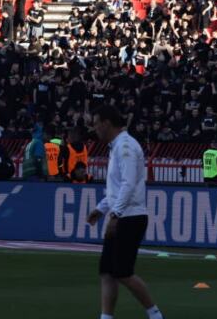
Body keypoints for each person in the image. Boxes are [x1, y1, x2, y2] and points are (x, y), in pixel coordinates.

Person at [86, 104, 163, 319]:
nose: (95, 129)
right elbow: (119, 188)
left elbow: (128, 184)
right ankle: (106, 317)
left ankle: (156, 315)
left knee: (122, 272)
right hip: (124, 215)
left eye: (96, 124)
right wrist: (101, 209)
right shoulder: (118, 146)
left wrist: (115, 214)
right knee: (107, 271)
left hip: (130, 217)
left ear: (106, 123)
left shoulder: (126, 146)